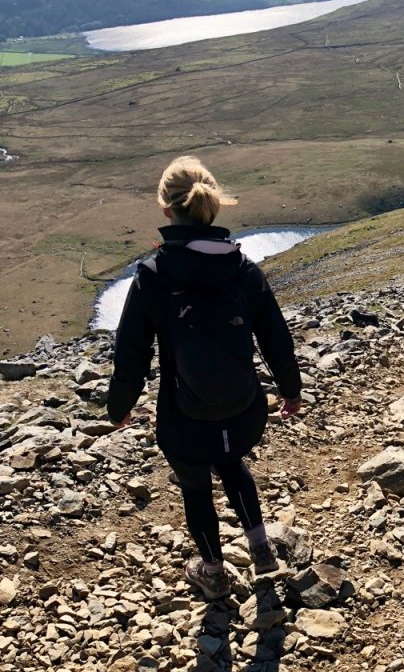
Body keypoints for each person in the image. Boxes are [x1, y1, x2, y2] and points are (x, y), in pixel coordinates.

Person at [107, 156, 302, 601]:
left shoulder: (154, 276)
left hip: (184, 414)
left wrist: (118, 409)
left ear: (165, 210)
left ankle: (212, 572)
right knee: (232, 463)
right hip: (244, 407)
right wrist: (290, 390)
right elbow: (276, 337)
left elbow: (131, 354)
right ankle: (260, 547)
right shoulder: (243, 268)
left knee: (196, 486)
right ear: (213, 207)